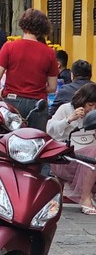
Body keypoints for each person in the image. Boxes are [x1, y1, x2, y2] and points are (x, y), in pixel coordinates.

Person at [0, 8, 58, 130]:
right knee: (36, 143)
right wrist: (36, 89)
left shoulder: (9, 47)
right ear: (43, 28)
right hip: (38, 104)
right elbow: (52, 87)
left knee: (8, 142)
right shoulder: (49, 53)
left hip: (12, 101)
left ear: (23, 25)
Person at [47, 83, 96, 215]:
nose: (92, 109)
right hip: (65, 159)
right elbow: (50, 131)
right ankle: (85, 198)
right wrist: (69, 120)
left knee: (93, 151)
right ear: (82, 100)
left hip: (88, 160)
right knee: (93, 151)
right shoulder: (66, 109)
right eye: (90, 105)